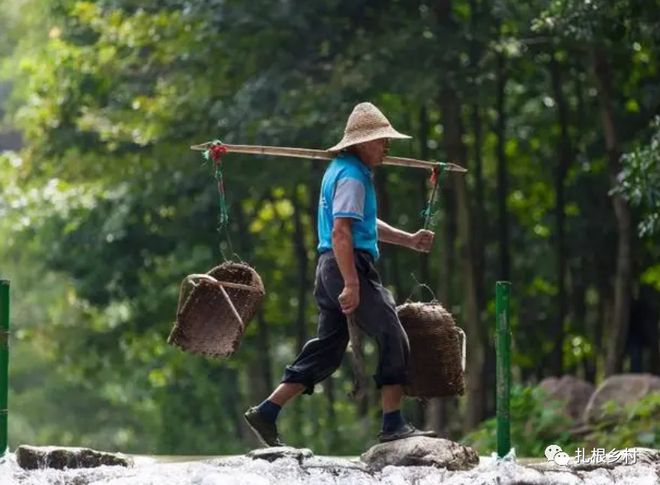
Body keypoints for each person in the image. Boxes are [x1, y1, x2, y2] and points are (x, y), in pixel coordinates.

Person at [244, 102, 437, 446]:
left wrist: (408, 239)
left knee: (330, 349)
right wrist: (351, 282)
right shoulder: (351, 176)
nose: (386, 147)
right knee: (393, 332)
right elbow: (341, 233)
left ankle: (267, 411)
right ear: (362, 144)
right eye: (380, 141)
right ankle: (393, 423)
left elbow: (361, 223)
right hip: (346, 265)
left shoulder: (343, 170)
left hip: (330, 268)